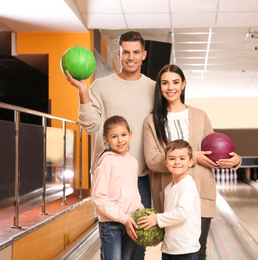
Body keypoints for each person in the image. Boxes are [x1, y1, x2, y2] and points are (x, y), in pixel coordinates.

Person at [66, 31, 155, 259]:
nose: (131, 57)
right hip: (110, 178)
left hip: (141, 179)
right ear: (119, 54)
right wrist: (83, 92)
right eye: (126, 52)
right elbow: (89, 125)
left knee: (137, 249)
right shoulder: (101, 86)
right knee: (112, 244)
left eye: (136, 52)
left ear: (144, 54)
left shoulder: (154, 89)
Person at [143, 64, 242, 260]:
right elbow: (153, 161)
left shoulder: (200, 115)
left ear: (183, 84)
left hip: (200, 192)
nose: (170, 87)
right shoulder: (151, 121)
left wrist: (236, 160)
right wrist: (192, 157)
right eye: (165, 83)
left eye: (175, 82)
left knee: (200, 250)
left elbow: (215, 151)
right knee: (174, 250)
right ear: (159, 87)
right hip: (170, 196)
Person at [138, 140, 201, 260]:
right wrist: (161, 235)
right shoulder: (168, 188)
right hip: (169, 247)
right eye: (172, 159)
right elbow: (169, 217)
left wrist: (156, 218)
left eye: (182, 158)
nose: (177, 162)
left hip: (186, 249)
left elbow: (182, 213)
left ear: (191, 162)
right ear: (166, 163)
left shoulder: (188, 185)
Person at [92, 116, 143, 260]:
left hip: (130, 221)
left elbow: (133, 193)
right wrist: (123, 218)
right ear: (106, 139)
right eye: (114, 136)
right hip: (111, 224)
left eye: (124, 135)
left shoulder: (133, 162)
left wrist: (141, 212)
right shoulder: (107, 162)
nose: (120, 140)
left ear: (130, 135)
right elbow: (99, 198)